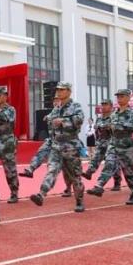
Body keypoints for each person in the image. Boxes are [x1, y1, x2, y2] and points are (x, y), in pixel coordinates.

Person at [29, 82, 85, 213]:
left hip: (70, 146)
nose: (59, 92)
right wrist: (48, 118)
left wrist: (63, 121)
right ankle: (41, 194)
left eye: (62, 90)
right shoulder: (57, 108)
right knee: (51, 170)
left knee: (75, 176)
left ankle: (79, 201)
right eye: (58, 90)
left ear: (69, 91)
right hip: (56, 146)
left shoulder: (75, 106)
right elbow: (50, 118)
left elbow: (79, 120)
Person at [87, 89, 133, 205]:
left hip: (127, 146)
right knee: (109, 164)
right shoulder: (114, 113)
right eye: (118, 97)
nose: (119, 99)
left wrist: (116, 125)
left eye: (122, 96)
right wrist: (106, 126)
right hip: (114, 144)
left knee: (129, 172)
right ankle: (99, 186)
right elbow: (107, 125)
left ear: (128, 97)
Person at [82, 99, 122, 191]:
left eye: (105, 104)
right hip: (101, 142)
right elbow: (97, 130)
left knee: (111, 162)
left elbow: (118, 129)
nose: (103, 106)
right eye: (102, 104)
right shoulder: (99, 118)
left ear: (111, 106)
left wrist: (110, 127)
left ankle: (117, 181)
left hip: (112, 142)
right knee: (96, 157)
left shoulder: (115, 117)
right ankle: (89, 172)